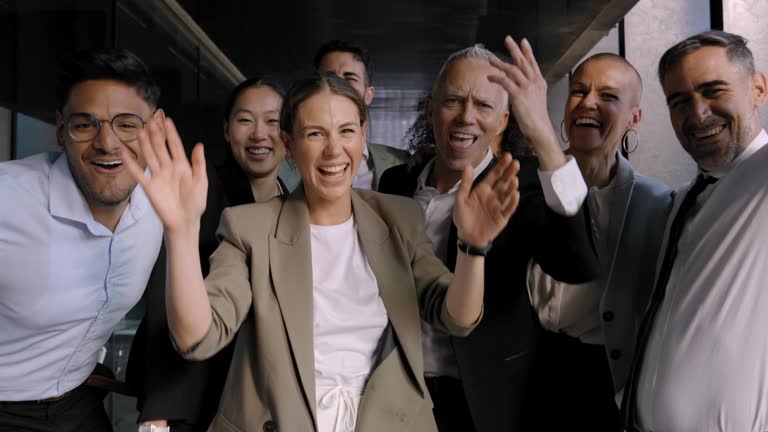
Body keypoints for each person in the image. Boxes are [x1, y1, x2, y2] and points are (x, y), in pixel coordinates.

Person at [124, 72, 520, 432]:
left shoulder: (398, 218)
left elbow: (457, 318)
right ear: (290, 144)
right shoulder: (250, 227)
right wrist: (180, 232)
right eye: (315, 134)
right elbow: (199, 337)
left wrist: (472, 248)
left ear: (363, 135)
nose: (334, 150)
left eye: (346, 131)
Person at [379, 38, 600, 431]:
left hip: (485, 401)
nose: (466, 117)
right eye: (453, 101)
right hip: (398, 394)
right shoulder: (396, 182)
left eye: (483, 105)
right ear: (430, 109)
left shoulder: (519, 183)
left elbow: (578, 263)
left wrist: (546, 137)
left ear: (504, 120)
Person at [0, 48, 164, 431]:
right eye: (85, 124)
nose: (107, 142)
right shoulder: (9, 198)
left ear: (154, 129)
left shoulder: (165, 200)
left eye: (127, 123)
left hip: (77, 403)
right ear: (61, 130)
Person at [621, 30, 768, 432]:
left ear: (758, 89)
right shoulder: (684, 201)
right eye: (679, 101)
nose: (698, 113)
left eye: (713, 90)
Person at [127, 78, 290, 431]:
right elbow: (163, 294)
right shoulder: (200, 188)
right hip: (192, 381)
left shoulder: (292, 204)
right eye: (245, 120)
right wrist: (160, 410)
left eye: (273, 121)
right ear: (227, 131)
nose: (260, 134)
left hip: (252, 387)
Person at [526, 53, 672, 431]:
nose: (588, 102)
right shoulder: (526, 186)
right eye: (579, 91)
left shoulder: (658, 204)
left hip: (609, 378)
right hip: (528, 368)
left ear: (634, 118)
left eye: (608, 96)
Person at [314, 39, 410, 190]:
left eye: (350, 78)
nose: (338, 86)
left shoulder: (402, 162)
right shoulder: (286, 166)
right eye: (330, 77)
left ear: (368, 95)